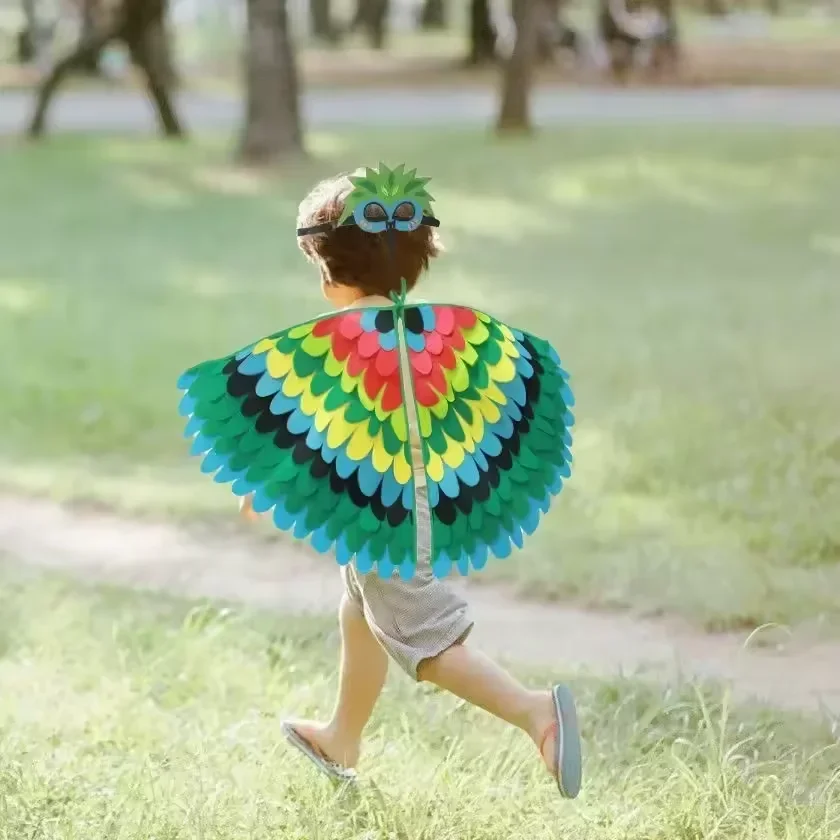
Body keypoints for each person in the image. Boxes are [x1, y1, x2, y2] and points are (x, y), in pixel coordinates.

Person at [238, 171, 582, 798]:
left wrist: (267, 481)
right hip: (405, 501)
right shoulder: (426, 335)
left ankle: (536, 713)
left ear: (327, 271)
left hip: (387, 511)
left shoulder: (341, 340)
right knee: (361, 605)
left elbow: (319, 426)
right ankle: (343, 733)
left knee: (425, 636)